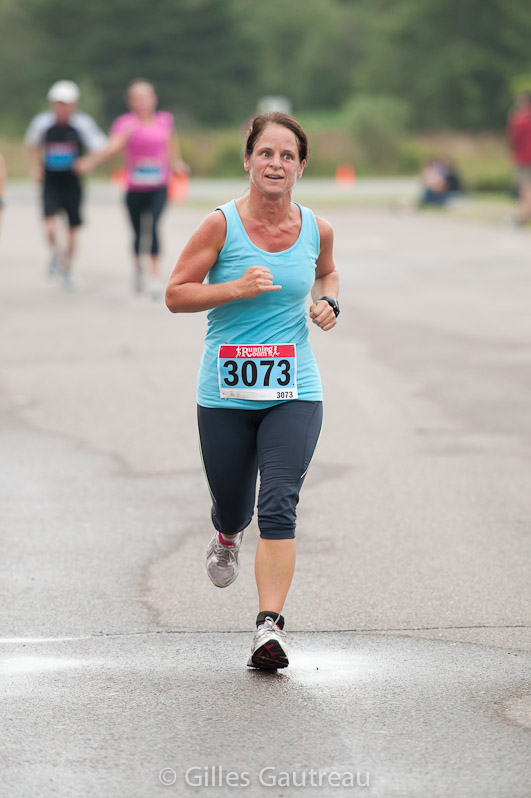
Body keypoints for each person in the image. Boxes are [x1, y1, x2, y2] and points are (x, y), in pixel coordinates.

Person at [165, 112, 339, 670]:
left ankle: (269, 628)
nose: (276, 164)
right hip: (225, 393)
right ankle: (225, 533)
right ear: (248, 160)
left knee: (279, 502)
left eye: (288, 155)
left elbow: (327, 273)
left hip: (294, 388)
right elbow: (175, 294)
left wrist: (329, 302)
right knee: (235, 505)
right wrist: (235, 288)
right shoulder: (220, 225)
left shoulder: (317, 228)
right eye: (266, 153)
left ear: (301, 167)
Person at [77, 79, 189, 299]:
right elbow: (111, 148)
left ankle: (154, 276)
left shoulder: (164, 120)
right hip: (135, 187)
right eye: (138, 97)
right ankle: (139, 269)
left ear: (154, 99)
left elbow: (170, 144)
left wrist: (177, 162)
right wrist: (92, 160)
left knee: (154, 226)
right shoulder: (125, 124)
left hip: (159, 185)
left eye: (146, 96)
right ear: (130, 102)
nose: (143, 101)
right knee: (138, 231)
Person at [25, 81, 107, 289]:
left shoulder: (83, 124)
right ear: (53, 103)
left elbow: (101, 146)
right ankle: (56, 252)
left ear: (74, 104)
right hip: (51, 182)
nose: (62, 107)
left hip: (72, 182)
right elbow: (32, 144)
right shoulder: (43, 123)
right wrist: (36, 166)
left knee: (72, 228)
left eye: (66, 103)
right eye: (59, 103)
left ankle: (68, 268)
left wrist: (88, 162)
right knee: (49, 226)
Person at [507, 92, 531, 226]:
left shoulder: (519, 120)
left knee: (526, 189)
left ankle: (520, 218)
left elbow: (513, 140)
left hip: (525, 159)